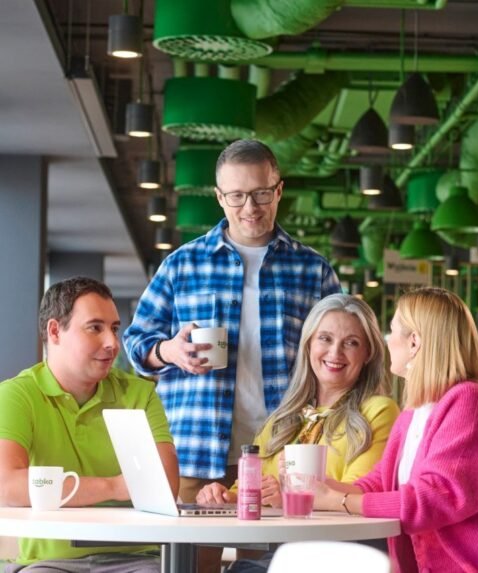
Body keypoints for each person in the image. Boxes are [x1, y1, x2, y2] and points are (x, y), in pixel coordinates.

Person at [122, 139, 341, 509]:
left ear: (279, 191)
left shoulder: (313, 270)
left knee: (278, 549)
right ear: (219, 197)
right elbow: (136, 342)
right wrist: (169, 351)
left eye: (261, 194)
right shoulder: (182, 265)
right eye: (237, 196)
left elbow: (341, 352)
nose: (250, 207)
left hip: (285, 455)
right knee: (193, 549)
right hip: (196, 452)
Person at [313, 287, 478, 572]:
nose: (387, 341)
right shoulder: (413, 412)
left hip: (475, 565)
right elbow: (381, 482)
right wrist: (323, 488)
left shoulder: (467, 400)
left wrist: (340, 502)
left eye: (392, 331)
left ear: (414, 342)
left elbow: (439, 497)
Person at [196, 294, 399, 573]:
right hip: (287, 554)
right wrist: (220, 496)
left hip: (343, 554)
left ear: (368, 354)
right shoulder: (282, 419)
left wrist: (289, 495)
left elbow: (361, 494)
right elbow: (244, 491)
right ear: (308, 345)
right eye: (325, 338)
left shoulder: (379, 411)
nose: (335, 352)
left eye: (351, 342)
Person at [0, 277, 179, 573]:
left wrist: (59, 489)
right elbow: (7, 486)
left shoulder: (139, 393)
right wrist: (115, 486)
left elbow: (165, 486)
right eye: (95, 328)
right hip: (47, 563)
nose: (113, 343)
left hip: (137, 559)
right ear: (55, 331)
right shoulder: (17, 395)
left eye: (114, 329)